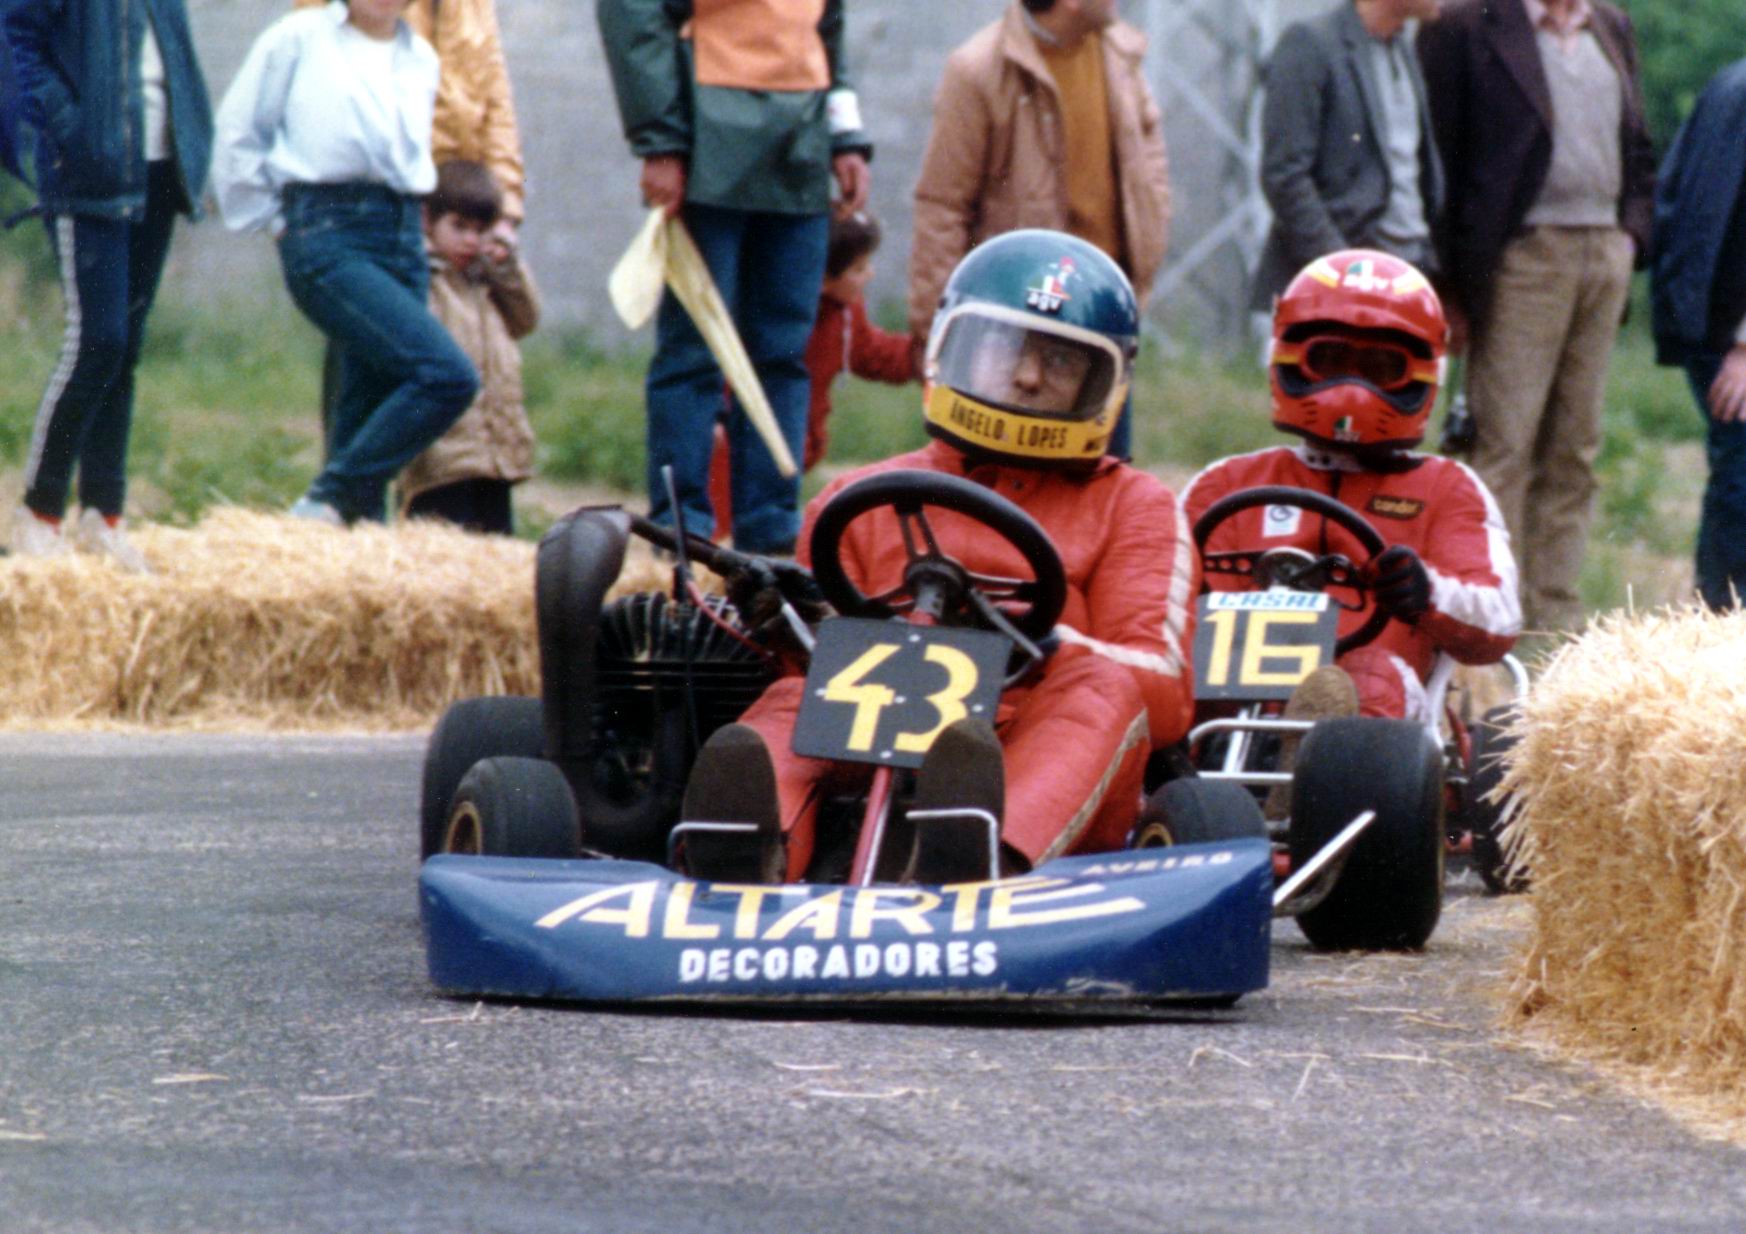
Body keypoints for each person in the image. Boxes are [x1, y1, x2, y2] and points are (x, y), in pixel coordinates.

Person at [679, 231, 1198, 885]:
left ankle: (983, 856)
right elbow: (815, 672)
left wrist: (1041, 641)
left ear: (1105, 382)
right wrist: (790, 625)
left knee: (1105, 687)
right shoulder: (858, 498)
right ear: (954, 349)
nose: (1028, 376)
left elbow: (1165, 690)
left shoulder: (1135, 505)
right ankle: (746, 860)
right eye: (1007, 349)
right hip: (871, 730)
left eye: (1061, 361)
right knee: (793, 698)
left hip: (1031, 739)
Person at [1183, 249, 1520, 726]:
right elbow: (1159, 606)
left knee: (1369, 679)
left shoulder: (1447, 488)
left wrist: (1427, 591)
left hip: (1383, 723)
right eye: (1330, 359)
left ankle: (1311, 759)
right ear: (1288, 357)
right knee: (1174, 668)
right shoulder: (1225, 484)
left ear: (1423, 374)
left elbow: (1499, 619)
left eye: (1380, 367)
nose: (1352, 387)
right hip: (1230, 708)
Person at [597, 0, 873, 555]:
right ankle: (681, 529)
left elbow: (829, 28)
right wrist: (661, 142)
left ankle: (771, 530)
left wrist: (845, 138)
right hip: (709, 146)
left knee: (783, 353)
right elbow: (635, 17)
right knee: (695, 350)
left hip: (800, 151)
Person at [1416, 0, 1654, 633]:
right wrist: (1452, 286)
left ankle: (1556, 619)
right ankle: (1491, 615)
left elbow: (1637, 145)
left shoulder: (1609, 24)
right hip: (1523, 255)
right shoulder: (1471, 25)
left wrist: (1631, 235)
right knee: (1505, 441)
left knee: (1575, 446)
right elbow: (1441, 156)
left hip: (1603, 253)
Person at [211, 0, 479, 526]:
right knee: (447, 375)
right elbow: (238, 131)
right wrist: (273, 219)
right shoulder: (298, 38)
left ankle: (353, 528)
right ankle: (326, 499)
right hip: (326, 228)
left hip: (402, 231)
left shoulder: (421, 57)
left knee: (366, 398)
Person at [907, 0, 1170, 462]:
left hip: (1100, 322)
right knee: (996, 477)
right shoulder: (978, 70)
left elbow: (1151, 168)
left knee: (1099, 476)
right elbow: (943, 205)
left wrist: (1148, 249)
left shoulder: (1121, 55)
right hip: (1012, 331)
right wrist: (937, 331)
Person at [2, 0, 213, 570]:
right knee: (97, 342)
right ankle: (39, 512)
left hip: (160, 171)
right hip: (90, 174)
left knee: (124, 352)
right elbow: (15, 39)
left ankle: (103, 515)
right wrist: (70, 128)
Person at [292, 0, 526, 446]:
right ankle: (348, 480)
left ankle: (424, 484)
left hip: (458, 204)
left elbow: (495, 93)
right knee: (369, 356)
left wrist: (504, 208)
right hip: (378, 198)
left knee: (451, 364)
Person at [705, 210, 917, 536]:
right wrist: (716, 413)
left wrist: (923, 355)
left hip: (799, 441)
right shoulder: (779, 316)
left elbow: (870, 352)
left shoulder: (845, 311)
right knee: (722, 521)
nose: (870, 275)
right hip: (740, 443)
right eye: (858, 269)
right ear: (822, 279)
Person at [1251, 0, 1444, 310]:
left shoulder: (1402, 48)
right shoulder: (1311, 43)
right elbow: (1285, 176)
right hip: (1335, 291)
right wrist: (1346, 274)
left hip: (1406, 275)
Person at [1650, 59, 1746, 612]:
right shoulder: (1739, 93)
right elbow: (1705, 217)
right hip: (1732, 338)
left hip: (1720, 327)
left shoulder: (1730, 83)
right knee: (1742, 473)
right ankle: (1722, 623)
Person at [399, 160, 540, 536]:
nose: (470, 241)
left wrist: (506, 267)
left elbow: (526, 319)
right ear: (428, 221)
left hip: (495, 460)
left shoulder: (485, 282)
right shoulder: (425, 279)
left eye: (480, 230)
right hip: (441, 464)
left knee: (493, 555)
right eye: (458, 227)